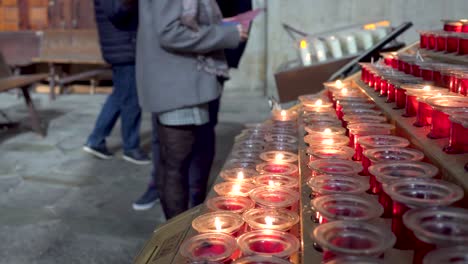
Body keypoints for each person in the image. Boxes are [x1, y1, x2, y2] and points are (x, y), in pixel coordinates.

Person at [132, 0, 252, 211]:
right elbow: (170, 32)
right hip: (178, 83)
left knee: (173, 163)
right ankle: (178, 236)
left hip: (180, 80)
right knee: (176, 166)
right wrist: (228, 34)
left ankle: (178, 232)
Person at [83, 0, 151, 165]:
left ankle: (96, 140)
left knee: (120, 95)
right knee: (131, 100)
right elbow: (117, 11)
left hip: (125, 45)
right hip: (124, 48)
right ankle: (131, 148)